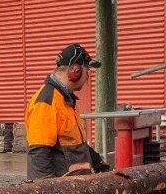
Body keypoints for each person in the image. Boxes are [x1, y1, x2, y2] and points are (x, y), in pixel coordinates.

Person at [24, 43, 110, 179]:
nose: (88, 77)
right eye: (87, 70)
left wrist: (97, 162)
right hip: (61, 190)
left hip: (74, 186)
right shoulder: (47, 101)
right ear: (75, 71)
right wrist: (47, 192)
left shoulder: (66, 100)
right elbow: (39, 156)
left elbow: (74, 144)